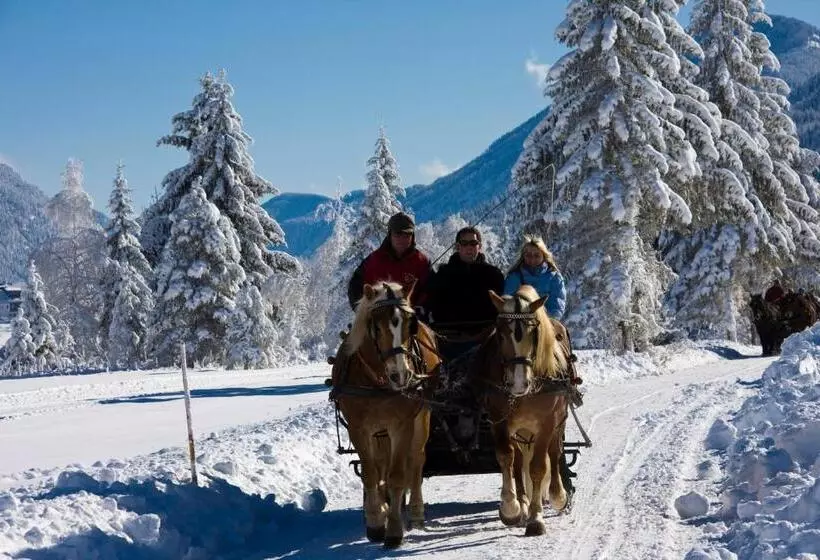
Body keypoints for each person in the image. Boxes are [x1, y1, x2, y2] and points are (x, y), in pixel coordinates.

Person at [347, 212, 432, 311]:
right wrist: (362, 311)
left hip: (412, 318)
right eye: (398, 233)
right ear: (390, 234)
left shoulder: (421, 261)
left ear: (412, 236)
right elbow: (355, 287)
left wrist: (423, 309)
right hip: (379, 318)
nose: (402, 238)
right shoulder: (374, 261)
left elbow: (432, 291)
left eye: (407, 234)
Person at [427, 226, 505, 333]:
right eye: (464, 243)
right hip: (448, 336)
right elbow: (434, 306)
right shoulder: (443, 274)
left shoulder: (494, 275)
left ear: (480, 246)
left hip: (486, 337)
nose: (469, 247)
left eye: (473, 243)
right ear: (457, 247)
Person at [504, 235, 567, 320]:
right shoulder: (514, 277)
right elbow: (507, 302)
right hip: (519, 322)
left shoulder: (554, 278)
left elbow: (556, 305)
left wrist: (545, 320)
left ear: (544, 256)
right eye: (528, 255)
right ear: (523, 256)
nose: (532, 259)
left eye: (537, 256)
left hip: (546, 323)